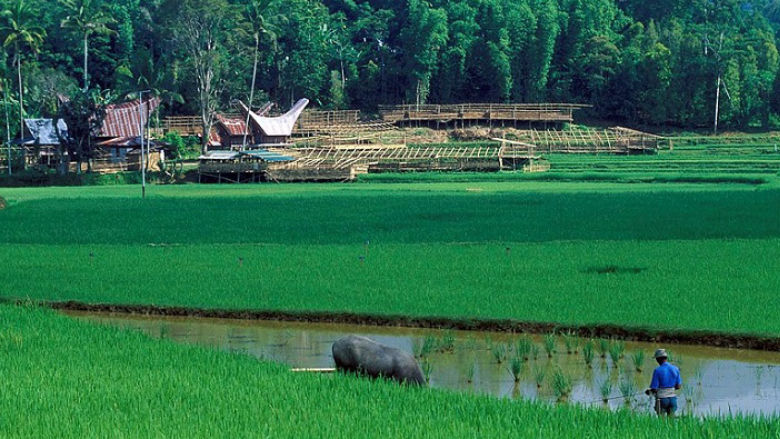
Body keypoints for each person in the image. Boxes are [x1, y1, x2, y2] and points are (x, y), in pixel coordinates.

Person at [645, 348, 682, 416]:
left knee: (661, 421)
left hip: (662, 399)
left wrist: (648, 392)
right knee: (671, 421)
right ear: (666, 358)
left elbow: (654, 389)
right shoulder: (676, 369)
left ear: (658, 359)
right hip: (673, 399)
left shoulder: (657, 370)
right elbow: (678, 386)